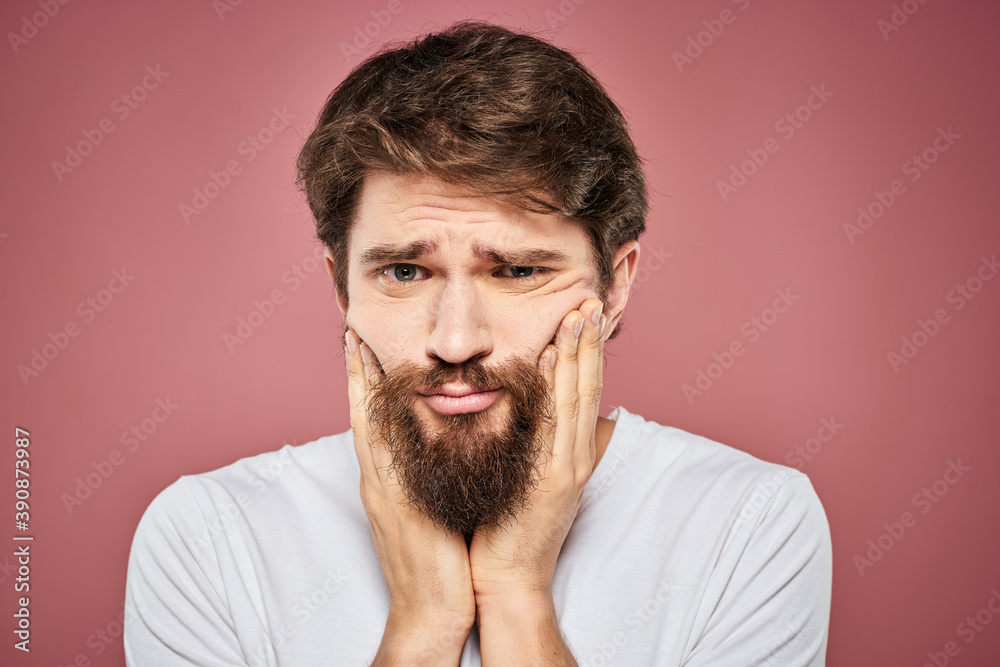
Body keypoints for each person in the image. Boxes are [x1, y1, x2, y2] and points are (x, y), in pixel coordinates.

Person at [124, 20, 832, 666]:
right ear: (343, 289)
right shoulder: (208, 540)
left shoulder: (750, 526)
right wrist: (424, 622)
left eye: (518, 270)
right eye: (404, 270)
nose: (455, 340)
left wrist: (518, 594)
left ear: (614, 286)